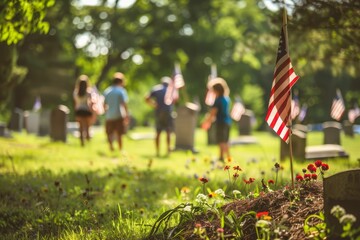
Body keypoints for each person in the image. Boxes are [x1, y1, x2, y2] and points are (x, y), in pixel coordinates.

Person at [201, 78, 231, 161]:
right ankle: (221, 157)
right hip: (227, 122)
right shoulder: (226, 99)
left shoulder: (218, 100)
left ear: (216, 90)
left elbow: (212, 113)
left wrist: (206, 122)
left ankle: (229, 158)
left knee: (222, 141)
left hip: (221, 122)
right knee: (225, 140)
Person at [145, 77, 174, 157]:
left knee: (158, 132)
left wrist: (153, 104)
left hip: (159, 113)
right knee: (168, 131)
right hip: (168, 113)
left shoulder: (156, 89)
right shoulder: (170, 89)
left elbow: (146, 98)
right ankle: (168, 150)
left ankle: (157, 151)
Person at [103, 72, 129, 152]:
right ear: (120, 82)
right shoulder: (121, 91)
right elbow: (124, 104)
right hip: (119, 115)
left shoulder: (107, 91)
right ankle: (120, 148)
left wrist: (106, 112)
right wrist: (126, 115)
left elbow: (104, 104)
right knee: (119, 133)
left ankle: (111, 147)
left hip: (109, 115)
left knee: (109, 132)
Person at [73, 75, 94, 146]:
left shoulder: (76, 92)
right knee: (87, 127)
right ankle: (88, 142)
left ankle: (82, 142)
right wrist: (92, 111)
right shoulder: (88, 92)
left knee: (81, 128)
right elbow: (90, 103)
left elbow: (76, 103)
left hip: (79, 110)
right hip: (86, 111)